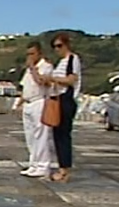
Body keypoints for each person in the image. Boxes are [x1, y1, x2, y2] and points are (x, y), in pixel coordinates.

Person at [32, 32, 82, 183]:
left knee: (63, 136)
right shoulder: (61, 62)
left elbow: (71, 79)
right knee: (57, 135)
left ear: (67, 45)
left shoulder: (73, 59)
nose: (57, 49)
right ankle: (62, 168)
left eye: (59, 46)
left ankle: (64, 170)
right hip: (56, 98)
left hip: (65, 99)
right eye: (54, 47)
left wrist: (52, 78)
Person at [18, 42, 55, 177]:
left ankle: (43, 165)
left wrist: (33, 68)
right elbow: (25, 86)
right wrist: (20, 102)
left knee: (41, 136)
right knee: (30, 136)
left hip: (39, 102)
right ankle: (34, 163)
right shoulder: (29, 69)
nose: (30, 57)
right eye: (28, 54)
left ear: (39, 53)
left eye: (32, 54)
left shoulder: (46, 66)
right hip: (28, 103)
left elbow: (41, 82)